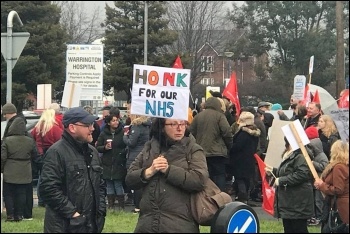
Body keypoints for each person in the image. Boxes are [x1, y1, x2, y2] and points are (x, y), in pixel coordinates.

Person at [125, 118, 209, 233]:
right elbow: (129, 179)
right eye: (173, 124)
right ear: (162, 127)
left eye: (182, 123)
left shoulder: (193, 149)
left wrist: (168, 170)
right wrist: (148, 172)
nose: (179, 128)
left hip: (180, 225)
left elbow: (199, 180)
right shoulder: (149, 148)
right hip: (147, 225)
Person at [38, 107, 106, 233]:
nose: (92, 128)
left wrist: (101, 211)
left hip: (91, 225)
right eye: (87, 125)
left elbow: (100, 185)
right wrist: (74, 214)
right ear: (72, 128)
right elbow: (48, 188)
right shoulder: (56, 152)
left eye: (92, 124)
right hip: (65, 226)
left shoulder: (92, 152)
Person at [265, 137, 314, 233]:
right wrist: (274, 171)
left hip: (298, 201)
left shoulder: (300, 156)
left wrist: (281, 180)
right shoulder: (291, 154)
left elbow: (302, 174)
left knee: (298, 228)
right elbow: (287, 171)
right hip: (290, 201)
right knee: (289, 228)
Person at [190, 96, 233, 191]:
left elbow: (190, 132)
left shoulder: (198, 116)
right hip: (218, 152)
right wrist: (229, 146)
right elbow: (227, 132)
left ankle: (206, 196)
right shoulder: (220, 116)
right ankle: (219, 196)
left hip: (201, 151)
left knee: (204, 175)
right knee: (219, 175)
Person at [1, 114, 37, 222]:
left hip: (9, 169)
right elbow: (35, 155)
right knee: (21, 193)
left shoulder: (7, 140)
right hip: (25, 169)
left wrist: (2, 169)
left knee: (8, 194)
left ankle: (10, 215)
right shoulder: (30, 141)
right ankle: (19, 214)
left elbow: (3, 157)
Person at [314, 140, 349, 231]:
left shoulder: (339, 167)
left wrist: (322, 185)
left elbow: (338, 189)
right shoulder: (344, 166)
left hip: (340, 208)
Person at [31, 108, 63, 207]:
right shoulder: (54, 128)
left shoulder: (37, 127)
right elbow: (61, 140)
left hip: (40, 154)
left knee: (42, 176)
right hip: (51, 153)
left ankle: (41, 198)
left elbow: (32, 139)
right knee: (51, 176)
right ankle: (48, 198)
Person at [96, 114, 127, 211]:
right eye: (113, 121)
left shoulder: (122, 132)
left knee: (118, 184)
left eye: (117, 120)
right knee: (109, 184)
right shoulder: (103, 133)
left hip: (119, 161)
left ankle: (121, 206)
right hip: (107, 162)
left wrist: (122, 152)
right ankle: (111, 206)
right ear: (109, 122)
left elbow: (126, 145)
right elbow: (98, 147)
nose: (116, 122)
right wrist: (105, 148)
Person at [228, 111, 260, 203]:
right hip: (249, 159)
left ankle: (242, 197)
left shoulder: (243, 134)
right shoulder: (255, 134)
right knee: (246, 179)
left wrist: (231, 147)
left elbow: (237, 146)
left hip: (240, 160)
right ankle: (243, 196)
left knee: (240, 178)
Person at [122, 114, 151, 214]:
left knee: (136, 181)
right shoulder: (148, 126)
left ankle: (137, 206)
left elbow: (132, 142)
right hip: (146, 155)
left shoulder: (136, 126)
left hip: (135, 156)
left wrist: (125, 137)